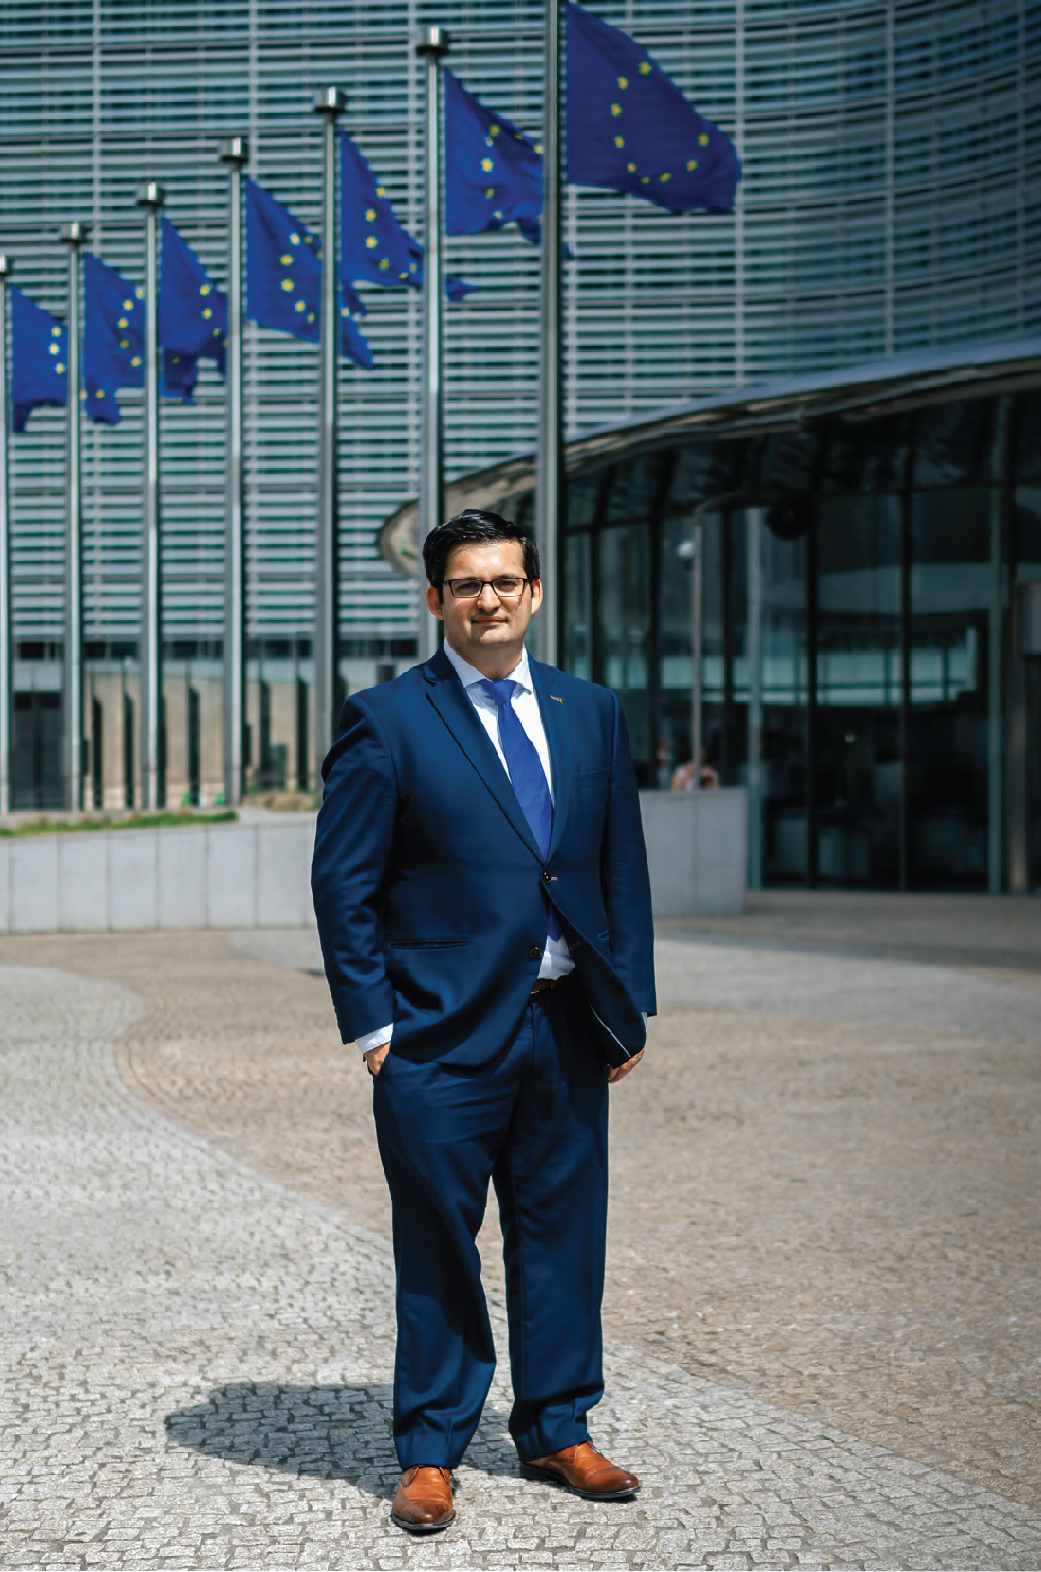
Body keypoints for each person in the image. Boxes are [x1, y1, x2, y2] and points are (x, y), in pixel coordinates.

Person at [311, 509, 656, 1534]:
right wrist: (375, 1030)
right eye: (466, 584)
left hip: (565, 1028)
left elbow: (615, 866)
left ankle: (556, 1426)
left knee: (563, 1238)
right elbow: (344, 887)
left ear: (535, 593)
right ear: (435, 601)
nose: (488, 598)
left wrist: (627, 1002)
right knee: (438, 1247)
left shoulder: (588, 711)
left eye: (505, 580)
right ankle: (427, 1449)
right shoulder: (387, 719)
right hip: (438, 1037)